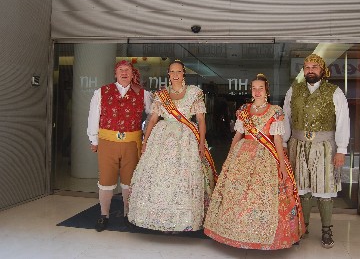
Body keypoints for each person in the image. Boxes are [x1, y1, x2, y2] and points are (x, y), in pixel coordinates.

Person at [204, 74, 305, 250]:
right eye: (254, 88)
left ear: (267, 91)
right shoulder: (244, 109)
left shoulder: (275, 111)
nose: (257, 91)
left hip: (267, 155)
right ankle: (237, 233)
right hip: (243, 154)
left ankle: (266, 235)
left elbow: (278, 140)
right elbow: (238, 135)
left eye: (260, 88)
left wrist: (281, 163)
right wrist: (230, 156)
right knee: (238, 193)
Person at [127, 59, 217, 232]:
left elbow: (200, 120)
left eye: (179, 72)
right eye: (172, 72)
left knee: (184, 176)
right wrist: (145, 141)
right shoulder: (161, 95)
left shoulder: (194, 92)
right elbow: (153, 119)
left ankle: (184, 219)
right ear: (168, 74)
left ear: (184, 73)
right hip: (162, 138)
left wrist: (201, 142)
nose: (175, 75)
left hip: (187, 138)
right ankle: (156, 217)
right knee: (158, 175)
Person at [282, 53, 350, 248]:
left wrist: (342, 149)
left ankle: (327, 230)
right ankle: (302, 227)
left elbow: (343, 121)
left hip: (325, 146)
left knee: (324, 189)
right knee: (302, 189)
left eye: (315, 67)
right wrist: (285, 144)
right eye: (307, 67)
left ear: (322, 70)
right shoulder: (293, 90)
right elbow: (286, 117)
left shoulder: (334, 92)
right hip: (298, 144)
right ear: (304, 70)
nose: (310, 70)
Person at [87, 60, 152, 232]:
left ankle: (127, 214)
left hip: (132, 143)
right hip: (108, 142)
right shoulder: (101, 92)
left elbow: (153, 116)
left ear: (133, 74)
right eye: (121, 70)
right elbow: (94, 116)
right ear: (115, 73)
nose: (124, 73)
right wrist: (93, 139)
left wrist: (147, 138)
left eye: (128, 70)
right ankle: (104, 215)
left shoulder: (143, 93)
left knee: (129, 181)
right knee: (106, 180)